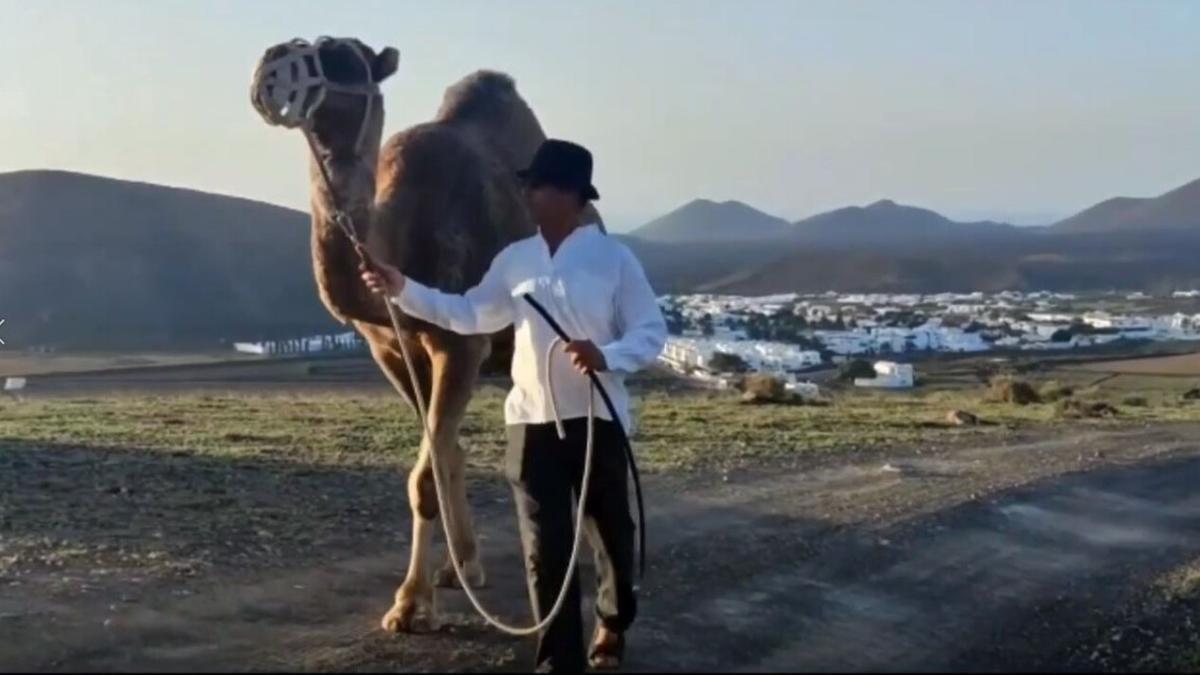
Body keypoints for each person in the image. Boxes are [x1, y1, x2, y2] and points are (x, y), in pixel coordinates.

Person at [361, 139, 667, 672]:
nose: (527, 193)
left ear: (570, 195)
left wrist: (607, 355)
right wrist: (402, 288)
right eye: (528, 184)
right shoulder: (515, 260)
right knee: (544, 551)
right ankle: (558, 662)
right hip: (531, 425)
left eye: (538, 185)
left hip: (598, 419)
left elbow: (651, 331)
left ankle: (613, 622)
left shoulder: (615, 259)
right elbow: (467, 314)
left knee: (613, 536)